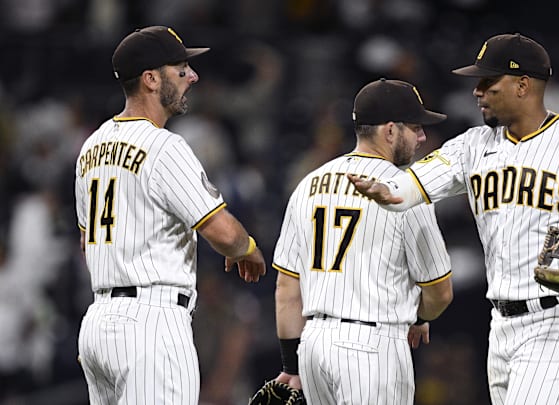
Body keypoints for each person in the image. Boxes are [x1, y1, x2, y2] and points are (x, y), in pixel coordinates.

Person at [348, 33, 559, 404]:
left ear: (523, 85)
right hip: (503, 324)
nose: (477, 91)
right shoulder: (472, 145)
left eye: (488, 81)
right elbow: (409, 188)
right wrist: (385, 191)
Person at [73, 26, 266, 404]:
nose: (192, 77)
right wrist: (248, 249)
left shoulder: (91, 146)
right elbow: (224, 233)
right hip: (152, 322)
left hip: (97, 322)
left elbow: (86, 241)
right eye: (180, 70)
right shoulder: (164, 146)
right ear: (150, 79)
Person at [271, 78, 454, 405]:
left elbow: (286, 289)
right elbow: (440, 292)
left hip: (313, 345)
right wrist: (421, 317)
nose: (422, 137)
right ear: (389, 131)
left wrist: (291, 365)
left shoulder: (309, 183)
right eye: (415, 127)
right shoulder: (404, 190)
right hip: (372, 345)